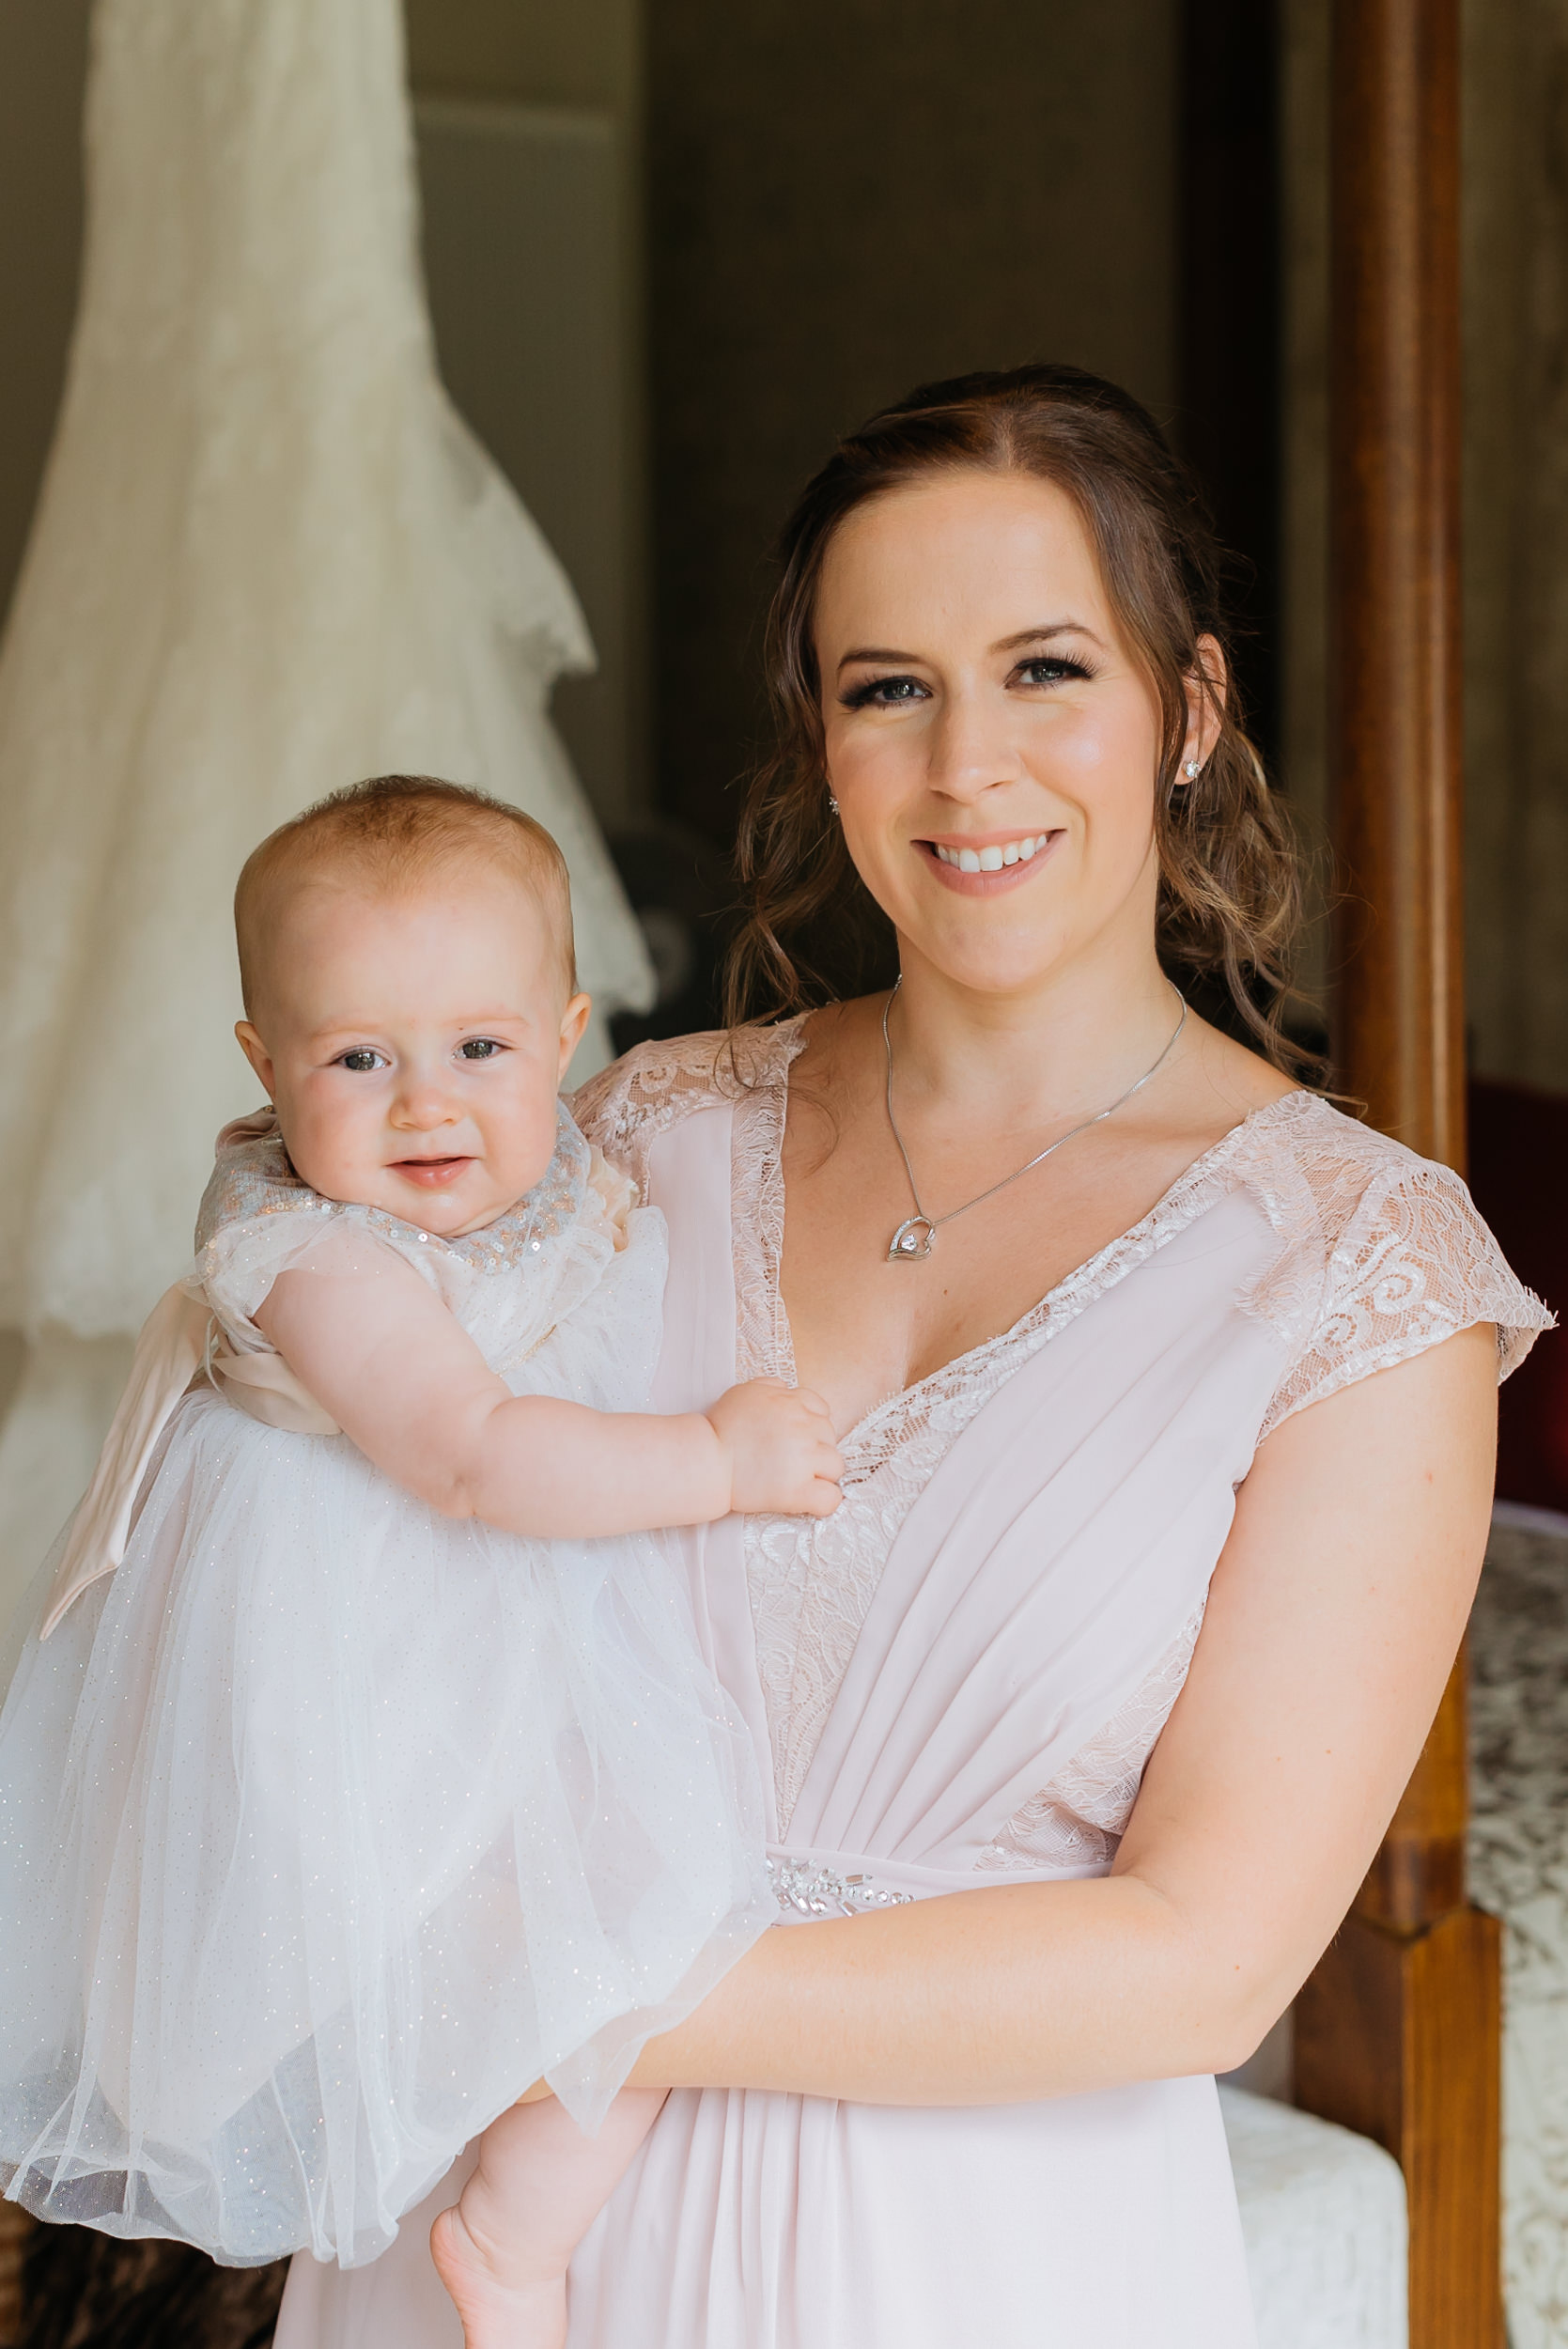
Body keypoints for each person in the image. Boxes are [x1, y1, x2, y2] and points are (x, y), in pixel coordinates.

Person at [274, 365, 1551, 2349]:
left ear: (1189, 710)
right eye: (888, 686)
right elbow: (371, 1564)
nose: (968, 764)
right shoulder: (639, 1137)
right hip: (475, 2233)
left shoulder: (1361, 1268)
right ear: (820, 738)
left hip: (968, 2261)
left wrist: (578, 1979)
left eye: (1045, 667)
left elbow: (1201, 1965)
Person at [0, 777, 845, 2349]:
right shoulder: (311, 1254)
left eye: (480, 1049)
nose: (426, 1105)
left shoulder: (560, 1184)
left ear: (568, 1033)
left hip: (501, 1617)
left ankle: (520, 2217)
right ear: (264, 1067)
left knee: (662, 1919)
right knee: (629, 1918)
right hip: (363, 1670)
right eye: (358, 1059)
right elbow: (469, 1456)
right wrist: (715, 1462)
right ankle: (511, 2238)